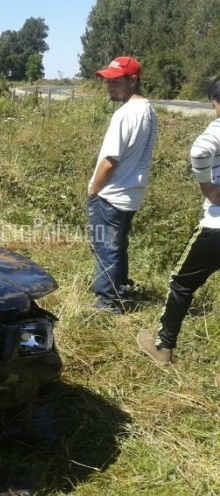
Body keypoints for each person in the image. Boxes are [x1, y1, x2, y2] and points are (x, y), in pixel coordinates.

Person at [137, 76, 220, 365]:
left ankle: (163, 348)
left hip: (216, 228)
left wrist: (207, 188)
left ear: (214, 103)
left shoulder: (217, 128)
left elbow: (199, 151)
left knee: (181, 283)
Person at [87, 56, 158, 314]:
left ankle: (107, 303)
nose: (110, 86)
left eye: (116, 81)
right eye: (108, 81)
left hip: (112, 194)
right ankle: (120, 289)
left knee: (105, 248)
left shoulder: (125, 114)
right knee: (118, 246)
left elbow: (110, 161)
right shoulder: (149, 110)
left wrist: (94, 191)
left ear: (133, 80)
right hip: (131, 193)